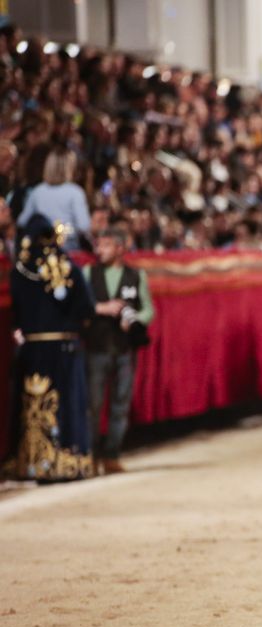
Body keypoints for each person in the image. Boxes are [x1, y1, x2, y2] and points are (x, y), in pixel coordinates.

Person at [5, 214, 95, 482]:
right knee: (65, 403)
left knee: (31, 407)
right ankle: (65, 460)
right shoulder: (68, 266)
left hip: (32, 350)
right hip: (64, 347)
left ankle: (31, 462)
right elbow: (86, 308)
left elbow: (16, 312)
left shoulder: (19, 271)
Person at [83, 227, 154, 475]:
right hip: (97, 346)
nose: (99, 250)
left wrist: (132, 317)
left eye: (105, 245)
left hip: (124, 348)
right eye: (98, 245)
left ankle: (111, 455)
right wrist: (102, 308)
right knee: (93, 404)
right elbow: (81, 304)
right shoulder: (89, 272)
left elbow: (149, 310)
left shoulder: (136, 275)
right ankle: (90, 456)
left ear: (120, 248)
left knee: (120, 404)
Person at [16, 146, 91, 252]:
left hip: (41, 251)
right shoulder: (75, 192)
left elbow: (22, 222)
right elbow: (84, 226)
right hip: (69, 252)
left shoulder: (38, 191)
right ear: (70, 168)